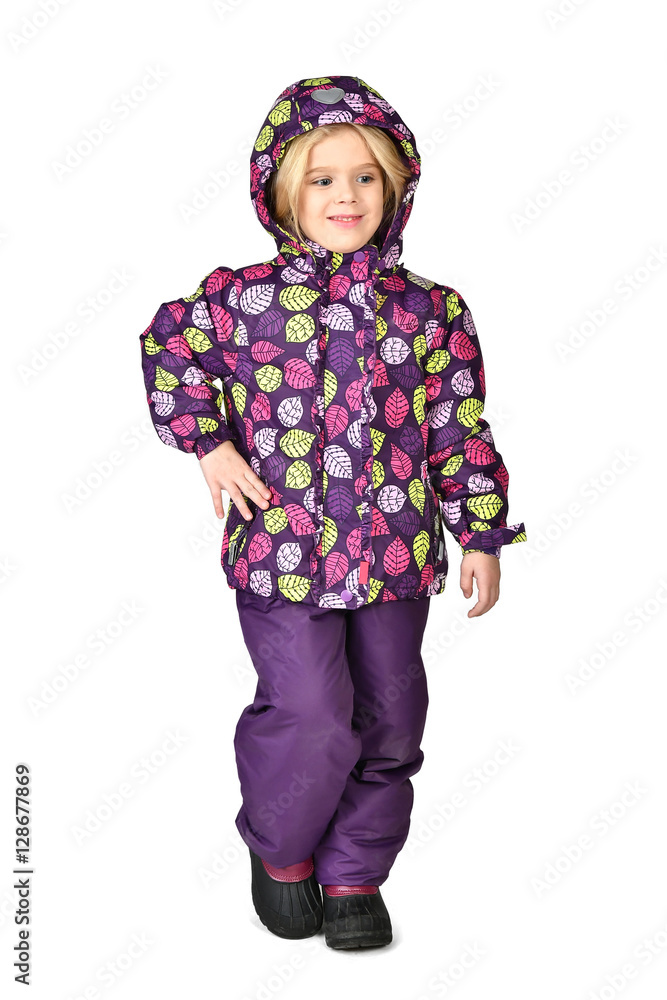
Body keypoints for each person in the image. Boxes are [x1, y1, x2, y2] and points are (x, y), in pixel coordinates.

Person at [138, 74, 526, 950]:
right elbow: (169, 347)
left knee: (389, 722)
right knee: (310, 713)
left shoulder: (430, 311)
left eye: (364, 177)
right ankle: (281, 851)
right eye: (321, 178)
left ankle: (355, 873)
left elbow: (457, 425)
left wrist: (480, 531)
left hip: (395, 558)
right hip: (282, 555)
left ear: (396, 188)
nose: (344, 195)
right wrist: (208, 441)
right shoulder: (240, 300)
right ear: (282, 190)